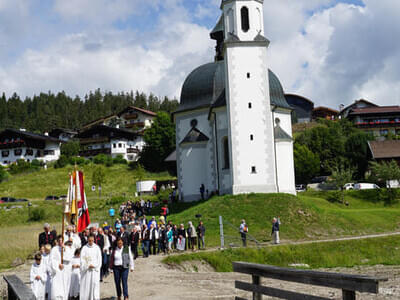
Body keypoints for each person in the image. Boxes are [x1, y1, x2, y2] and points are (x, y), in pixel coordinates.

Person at [80, 234, 102, 300]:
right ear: (87, 240)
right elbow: (82, 259)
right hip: (87, 270)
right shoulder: (84, 248)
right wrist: (87, 265)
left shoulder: (97, 248)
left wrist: (95, 265)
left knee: (94, 284)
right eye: (89, 240)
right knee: (86, 285)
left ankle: (94, 298)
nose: (91, 242)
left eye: (92, 240)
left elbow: (99, 259)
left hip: (94, 270)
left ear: (94, 240)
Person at [49, 235, 68, 300]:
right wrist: (57, 264)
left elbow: (69, 258)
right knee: (56, 286)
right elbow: (51, 260)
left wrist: (65, 249)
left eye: (62, 240)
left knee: (63, 285)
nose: (60, 242)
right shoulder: (54, 249)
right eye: (59, 240)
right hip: (57, 270)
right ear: (57, 241)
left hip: (64, 270)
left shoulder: (66, 248)